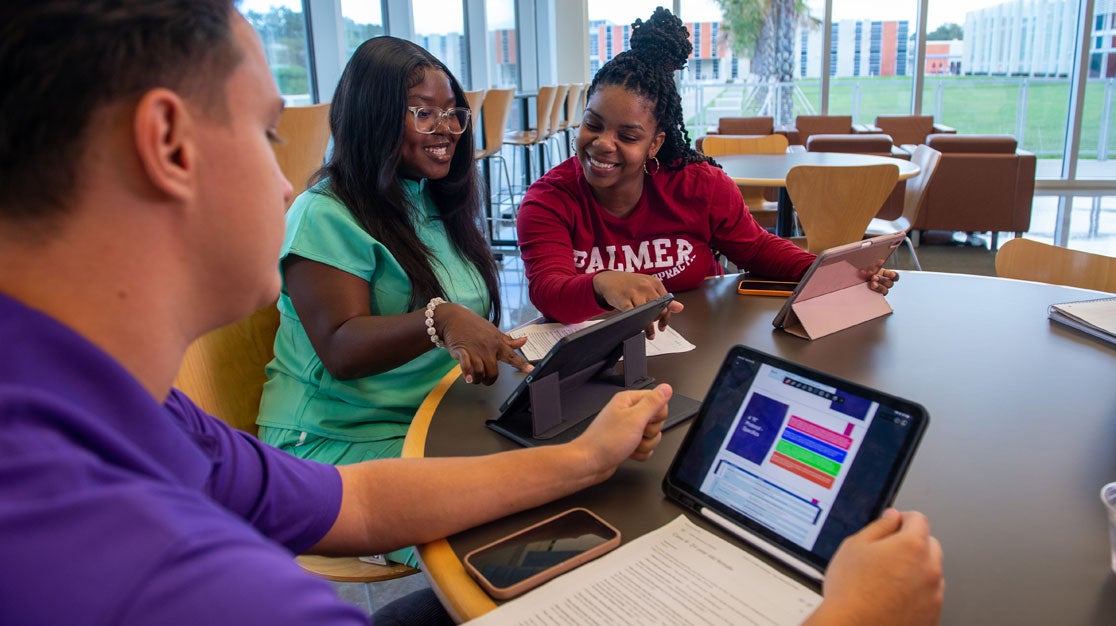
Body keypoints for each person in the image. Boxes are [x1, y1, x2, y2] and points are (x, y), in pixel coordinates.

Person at [0, 2, 941, 625]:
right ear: (167, 145)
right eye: (261, 130)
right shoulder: (178, 584)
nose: (285, 168)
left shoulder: (143, 423)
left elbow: (358, 499)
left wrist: (578, 456)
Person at [516, 7, 899, 325]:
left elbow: (758, 249)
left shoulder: (699, 187)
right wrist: (601, 283)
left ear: (655, 144)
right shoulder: (550, 199)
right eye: (592, 124)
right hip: (595, 362)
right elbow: (549, 292)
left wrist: (837, 271)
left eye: (628, 136)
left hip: (699, 345)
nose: (602, 143)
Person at [256, 37, 532, 477]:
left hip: (429, 420)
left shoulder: (431, 198)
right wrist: (440, 317)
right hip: (334, 441)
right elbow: (340, 349)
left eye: (452, 114)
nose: (446, 129)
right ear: (373, 117)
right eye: (424, 113)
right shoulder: (323, 214)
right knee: (501, 502)